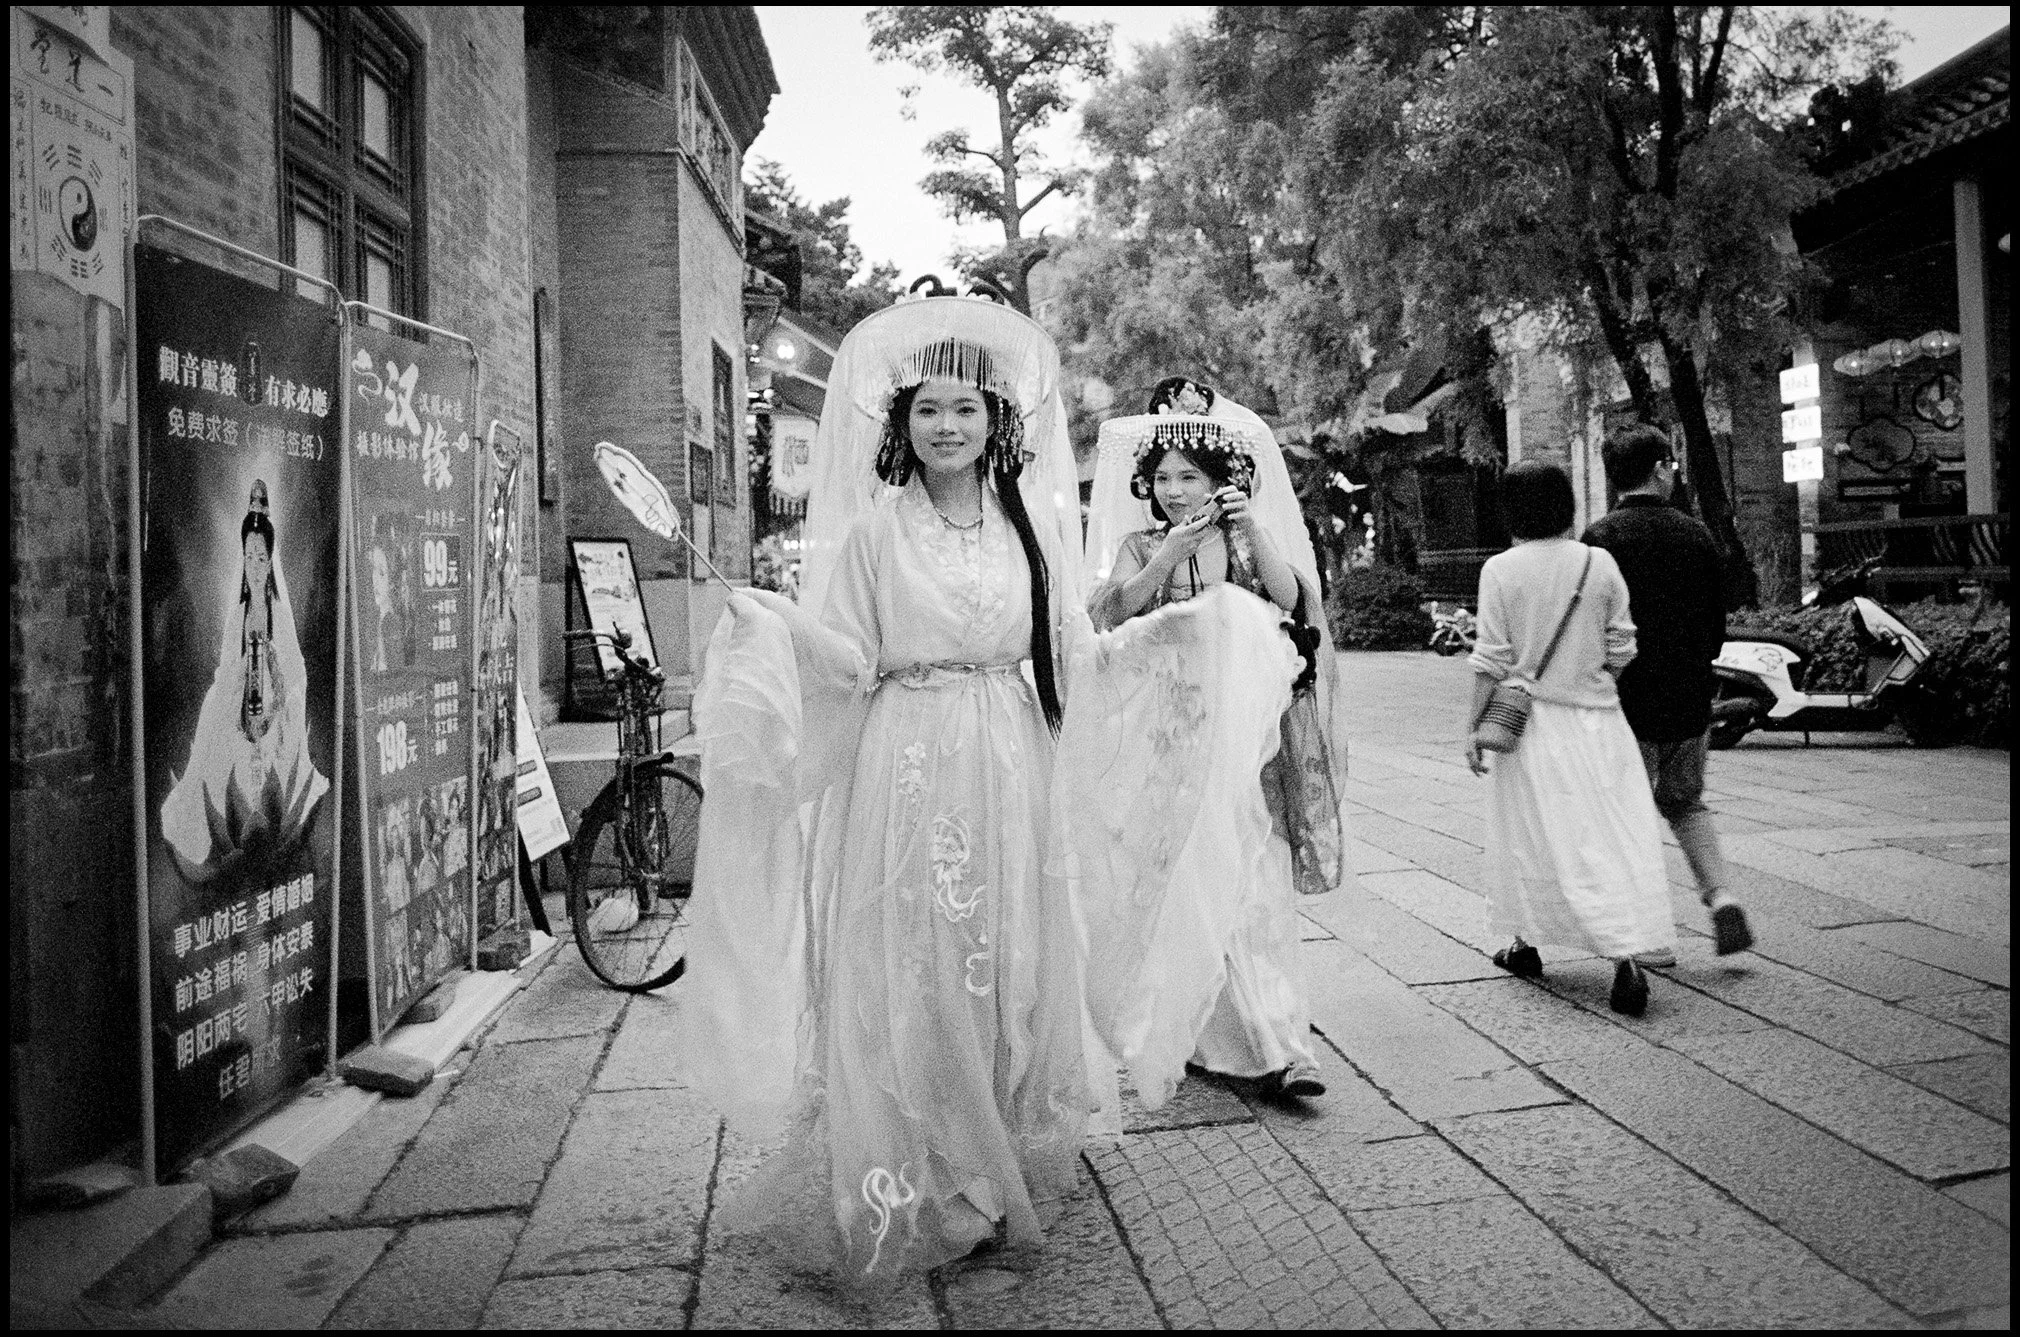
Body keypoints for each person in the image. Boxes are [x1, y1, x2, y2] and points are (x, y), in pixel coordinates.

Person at [672, 297, 1092, 1289]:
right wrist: (774, 622)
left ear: (998, 421)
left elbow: (1067, 644)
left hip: (1008, 752)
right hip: (910, 767)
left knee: (1010, 963)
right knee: (926, 966)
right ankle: (935, 1177)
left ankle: (990, 1165)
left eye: (967, 409)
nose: (949, 426)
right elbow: (850, 656)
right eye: (929, 410)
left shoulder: (1023, 529)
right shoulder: (873, 534)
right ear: (900, 425)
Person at [1066, 389, 1352, 1110]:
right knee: (1187, 879)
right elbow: (1113, 615)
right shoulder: (1141, 544)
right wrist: (1167, 555)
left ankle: (1284, 1046)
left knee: (1255, 880)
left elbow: (1291, 600)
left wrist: (1249, 529)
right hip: (1172, 736)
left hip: (1249, 735)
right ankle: (1202, 1032)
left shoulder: (1246, 535)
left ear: (1219, 478)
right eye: (1163, 478)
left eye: (1189, 476)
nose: (1174, 490)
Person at [1465, 460, 1675, 1017]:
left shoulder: (1500, 570)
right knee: (1607, 835)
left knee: (1529, 836)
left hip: (1532, 728)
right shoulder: (1598, 562)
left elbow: (1491, 659)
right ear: (1567, 505)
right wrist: (1594, 681)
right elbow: (1624, 645)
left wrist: (1473, 726)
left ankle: (1524, 943)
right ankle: (1624, 955)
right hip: (1600, 725)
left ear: (1510, 510)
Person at [1582, 426, 1755, 961]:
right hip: (1687, 696)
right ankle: (1720, 893)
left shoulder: (1599, 539)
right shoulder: (1696, 534)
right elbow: (1716, 626)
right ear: (1660, 468)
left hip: (1624, 698)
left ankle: (1648, 936)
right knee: (1685, 800)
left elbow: (1595, 627)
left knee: (1626, 811)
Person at [162, 479, 329, 883]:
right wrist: (236, 706)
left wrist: (272, 707)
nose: (255, 564)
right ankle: (210, 826)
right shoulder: (238, 615)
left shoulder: (277, 611)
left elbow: (294, 673)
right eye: (249, 556)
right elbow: (225, 673)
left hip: (274, 709)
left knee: (277, 741)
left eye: (261, 556)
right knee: (210, 714)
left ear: (271, 560)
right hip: (239, 708)